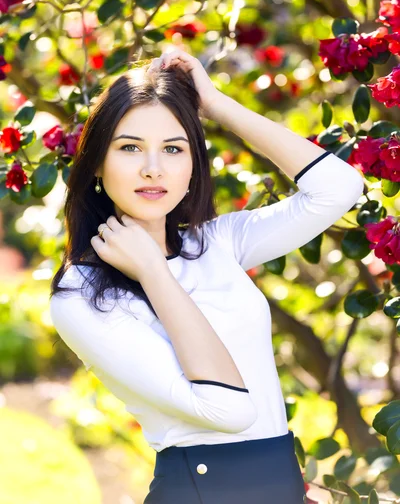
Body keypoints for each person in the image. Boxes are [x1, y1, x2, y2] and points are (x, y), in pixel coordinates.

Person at [49, 49, 364, 503]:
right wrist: (154, 272)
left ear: (193, 163)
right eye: (130, 147)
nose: (153, 167)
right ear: (97, 162)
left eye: (173, 148)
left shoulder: (215, 244)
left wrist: (216, 105)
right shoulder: (81, 295)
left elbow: (339, 189)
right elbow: (229, 409)